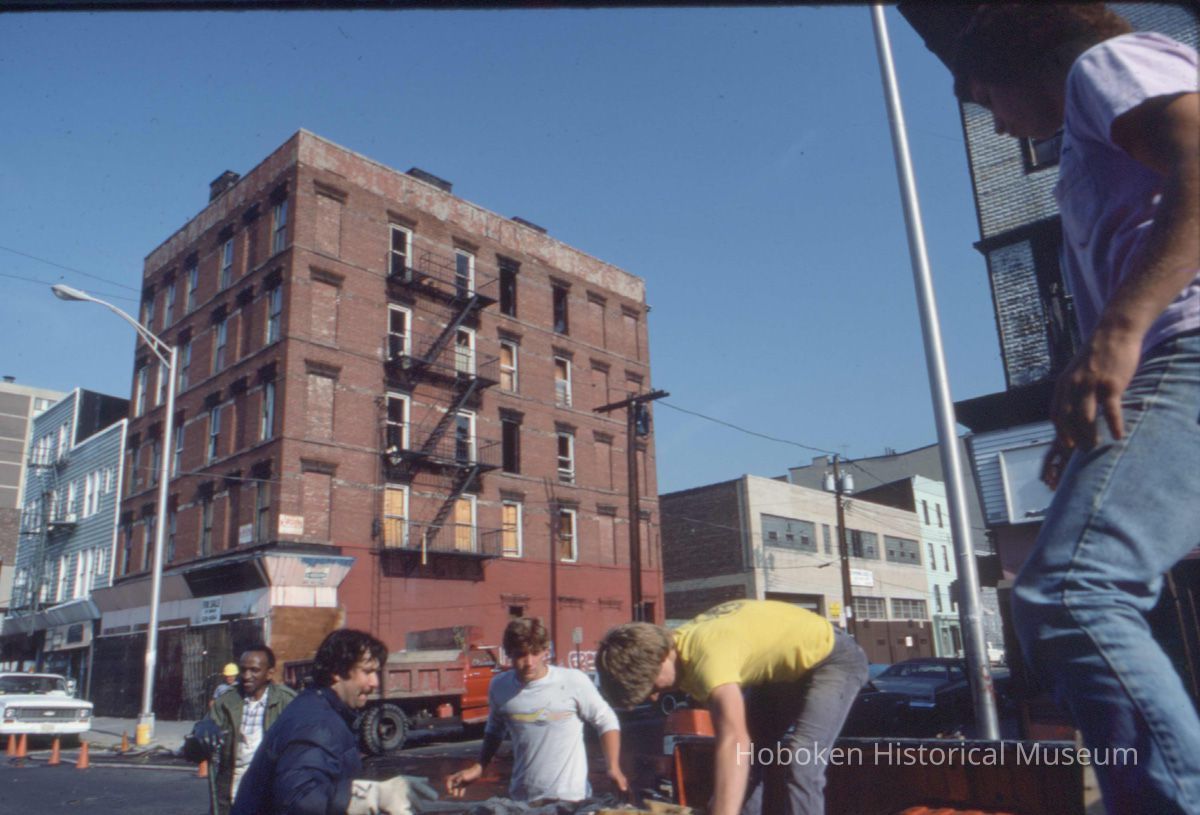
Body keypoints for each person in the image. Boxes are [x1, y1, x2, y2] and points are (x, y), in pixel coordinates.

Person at [952, 6, 1200, 814]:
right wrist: (1089, 397)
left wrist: (1124, 330)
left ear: (1025, 53)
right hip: (1160, 371)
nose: (989, 116)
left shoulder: (1108, 67)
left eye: (982, 90)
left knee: (1068, 591)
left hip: (1188, 348)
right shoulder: (1087, 148)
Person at [596, 600, 867, 815]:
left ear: (663, 656)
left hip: (833, 658)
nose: (655, 697)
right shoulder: (680, 647)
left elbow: (735, 741)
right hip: (783, 671)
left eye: (654, 687)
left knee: (801, 761)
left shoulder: (708, 660)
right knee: (748, 761)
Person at [231, 629, 435, 815]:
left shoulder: (322, 709)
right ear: (337, 672)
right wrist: (373, 795)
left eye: (376, 672)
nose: (375, 683)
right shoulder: (316, 723)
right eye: (367, 672)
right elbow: (298, 799)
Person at [445, 618, 627, 804]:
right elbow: (495, 729)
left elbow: (606, 720)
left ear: (546, 652)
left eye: (535, 653)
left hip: (571, 799)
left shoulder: (573, 681)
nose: (529, 662)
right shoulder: (500, 686)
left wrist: (613, 767)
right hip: (524, 801)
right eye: (521, 655)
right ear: (508, 654)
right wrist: (479, 766)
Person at [190, 646, 297, 814]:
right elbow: (194, 752)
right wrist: (200, 731)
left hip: (271, 795)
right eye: (243, 670)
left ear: (269, 673)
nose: (246, 676)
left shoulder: (287, 702)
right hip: (232, 793)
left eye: (254, 670)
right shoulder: (226, 701)